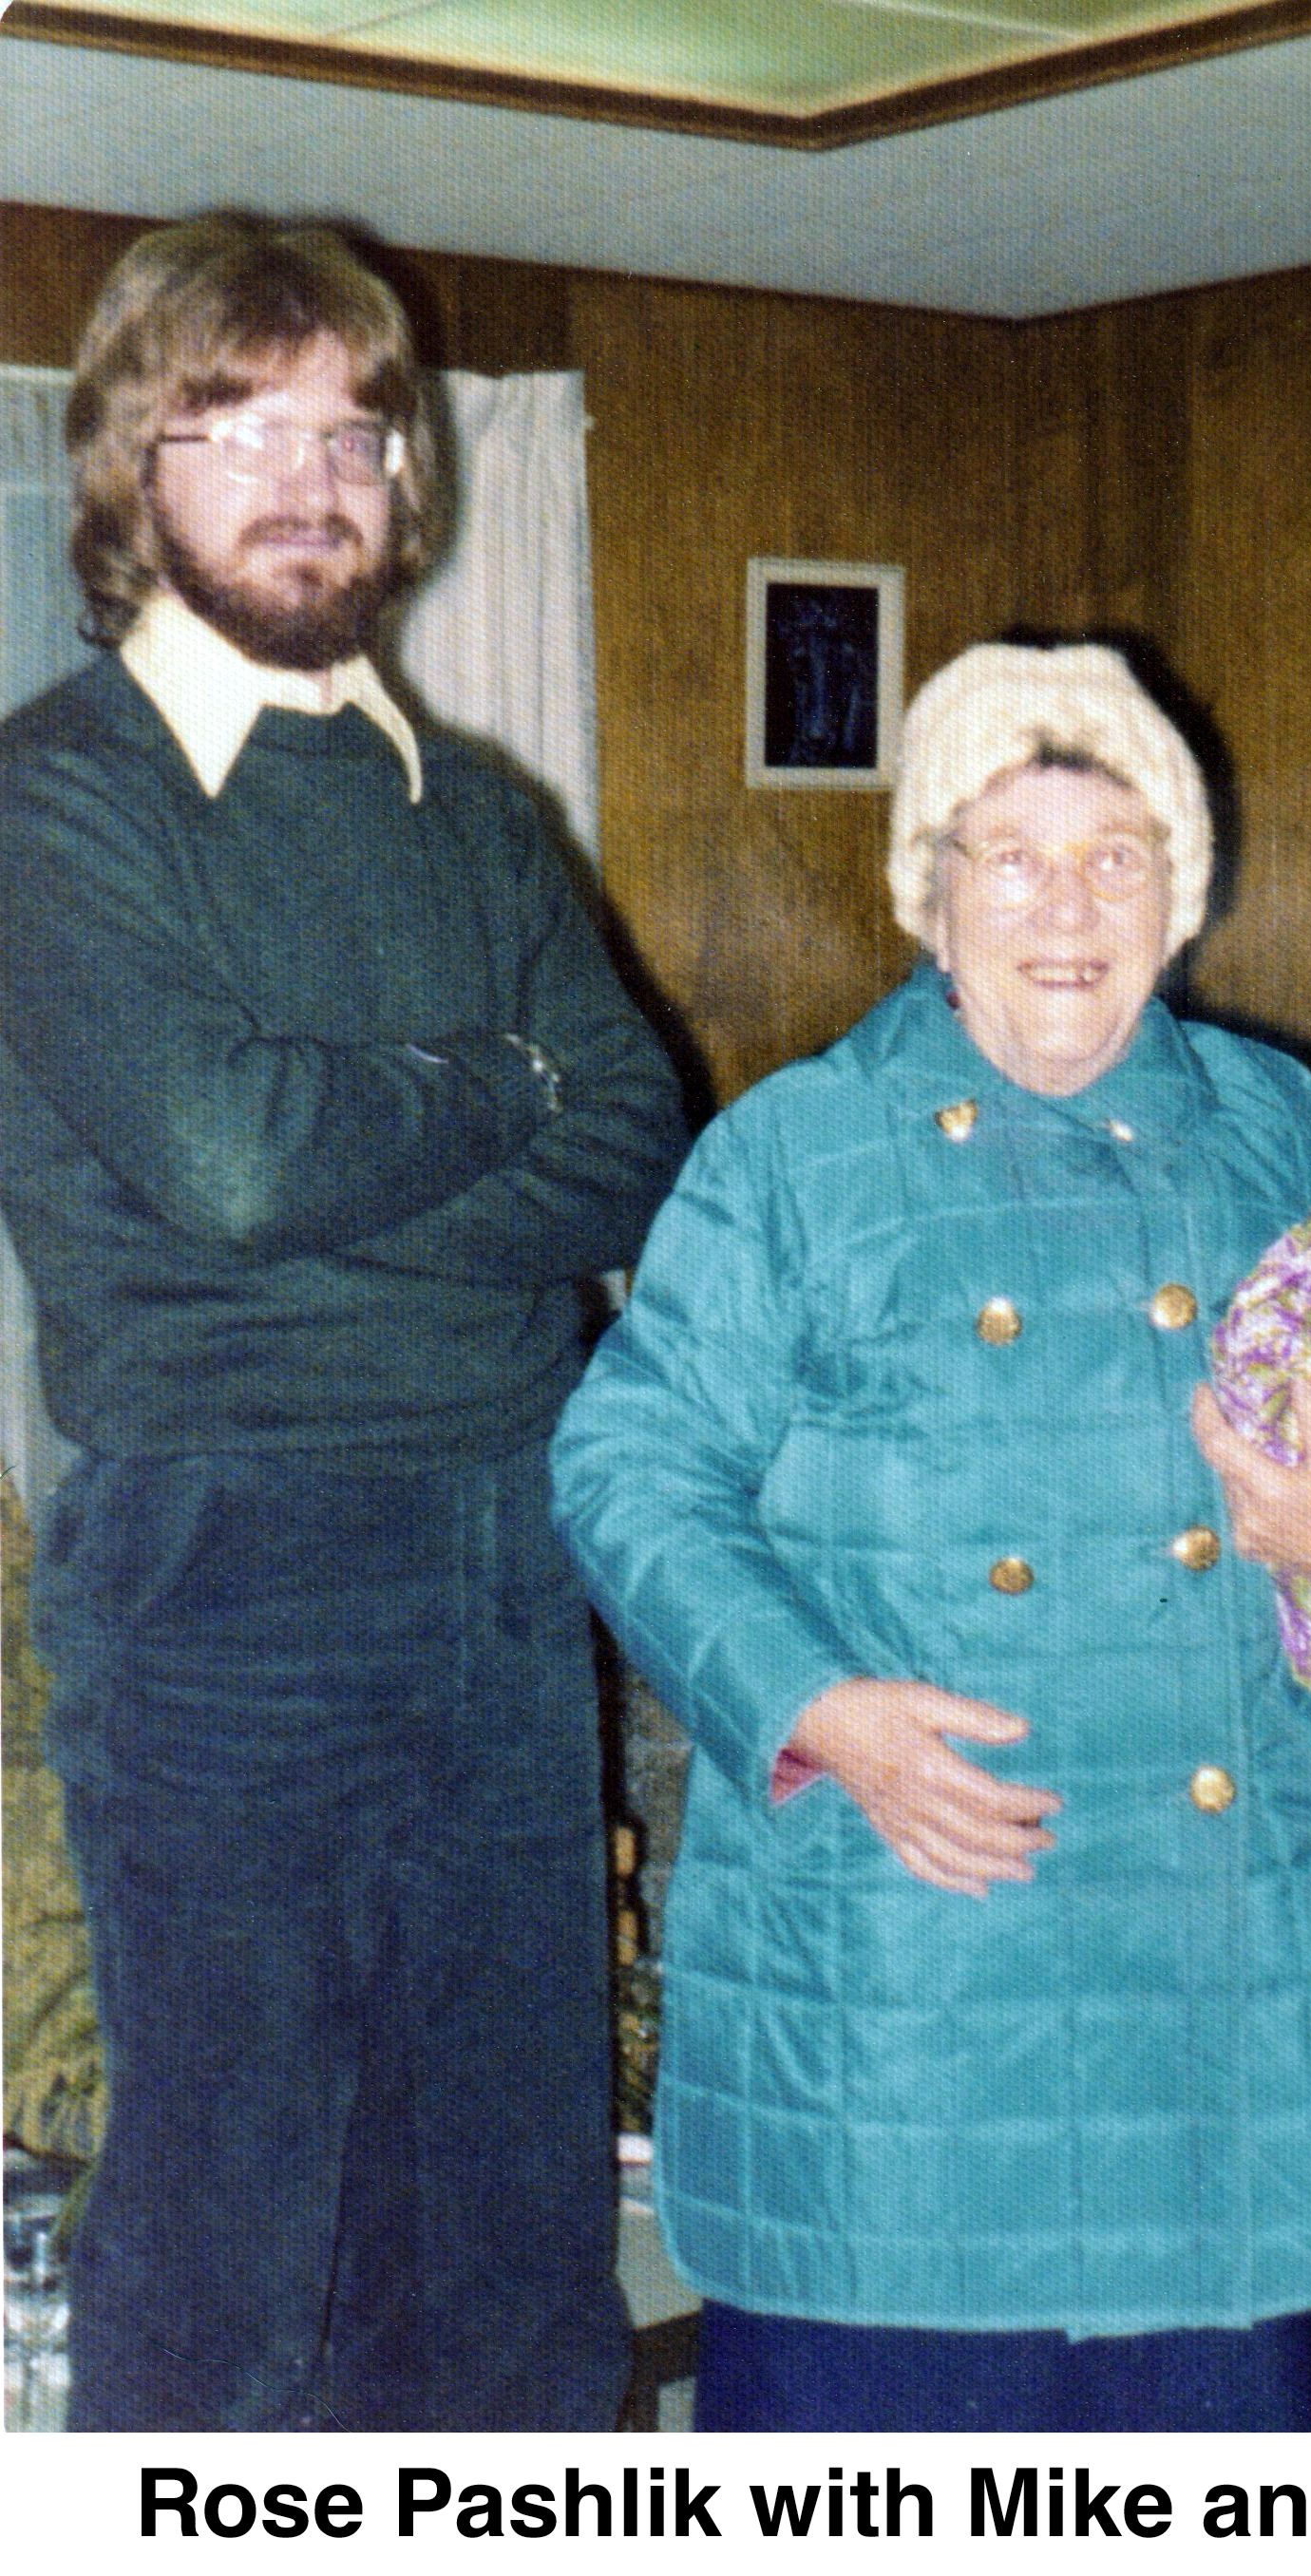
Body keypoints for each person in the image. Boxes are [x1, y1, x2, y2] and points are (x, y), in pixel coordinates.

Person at [549, 638, 1311, 2434]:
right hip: (908, 1943)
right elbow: (629, 1465)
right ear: (924, 895)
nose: (1065, 907)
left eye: (1117, 855)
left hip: (1218, 1964)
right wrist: (812, 1709)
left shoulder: (1269, 1124)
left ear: (1182, 894)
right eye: (1007, 855)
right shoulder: (792, 1153)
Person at [0, 214, 690, 2431]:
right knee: (230, 2228)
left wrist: (365, 1155)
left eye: (354, 430)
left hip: (508, 1558)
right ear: (132, 469)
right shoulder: (57, 799)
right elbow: (227, 1162)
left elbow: (636, 1151)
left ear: (407, 481)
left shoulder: (474, 813)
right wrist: (496, 1095)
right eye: (241, 428)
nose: (311, 476)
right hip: (226, 1569)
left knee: (501, 2214)